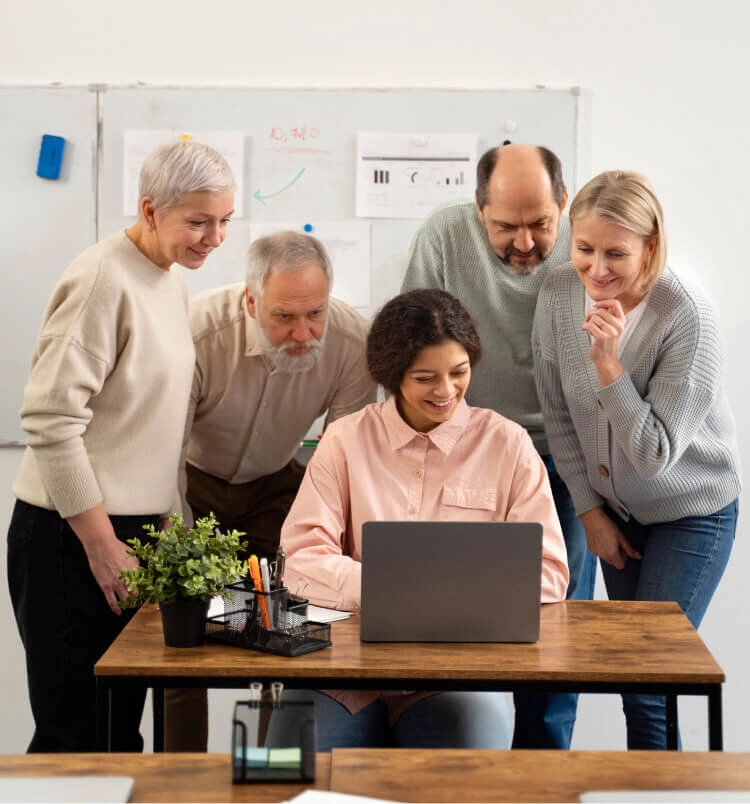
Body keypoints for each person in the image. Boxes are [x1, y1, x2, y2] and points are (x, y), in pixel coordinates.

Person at [6, 140, 236, 752]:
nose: (215, 238)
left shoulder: (167, 278)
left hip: (134, 535)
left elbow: (150, 424)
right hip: (71, 536)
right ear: (150, 209)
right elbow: (51, 420)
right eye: (199, 221)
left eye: (225, 221)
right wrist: (101, 542)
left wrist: (167, 526)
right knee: (74, 738)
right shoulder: (102, 278)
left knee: (118, 735)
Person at [279, 288, 569, 751]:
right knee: (283, 771)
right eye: (425, 377)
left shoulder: (508, 445)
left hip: (458, 674)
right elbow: (300, 560)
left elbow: (550, 574)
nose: (446, 391)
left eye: (459, 372)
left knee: (466, 769)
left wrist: (435, 595)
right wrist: (390, 587)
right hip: (342, 670)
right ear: (393, 376)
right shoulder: (344, 440)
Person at [532, 170, 740, 749]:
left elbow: (654, 456)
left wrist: (608, 366)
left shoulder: (687, 317)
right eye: (584, 249)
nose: (597, 270)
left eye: (616, 253)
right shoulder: (557, 293)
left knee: (650, 678)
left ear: (651, 247)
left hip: (690, 509)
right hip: (615, 510)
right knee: (631, 678)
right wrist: (592, 514)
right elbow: (559, 416)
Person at [401, 142, 595, 749]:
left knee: (556, 630)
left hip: (566, 460)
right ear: (477, 208)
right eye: (506, 226)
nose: (526, 243)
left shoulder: (585, 241)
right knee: (461, 623)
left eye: (541, 224)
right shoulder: (443, 236)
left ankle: (540, 777)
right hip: (472, 456)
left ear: (563, 203)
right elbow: (414, 341)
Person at [165, 230, 377, 751]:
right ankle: (184, 780)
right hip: (192, 484)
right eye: (284, 317)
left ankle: (266, 780)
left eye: (316, 313)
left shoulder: (352, 341)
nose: (304, 333)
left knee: (276, 637)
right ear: (251, 300)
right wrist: (181, 544)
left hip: (278, 489)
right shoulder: (194, 331)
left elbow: (341, 460)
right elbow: (164, 453)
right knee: (181, 648)